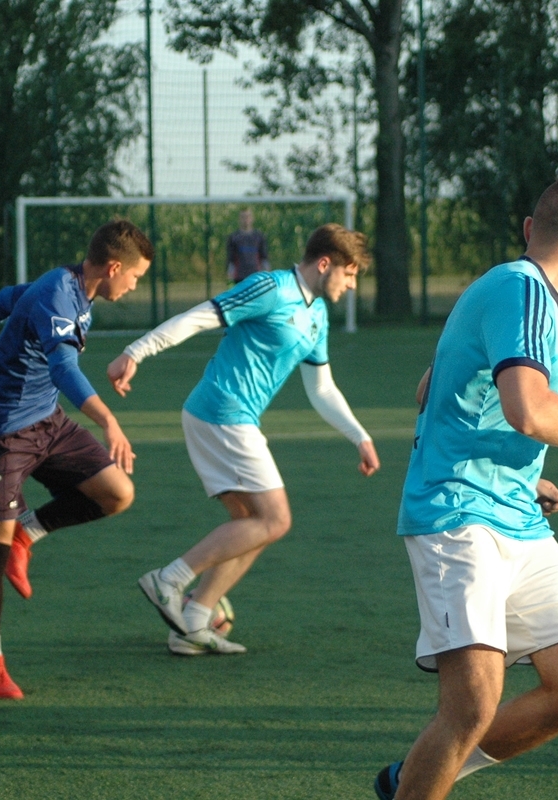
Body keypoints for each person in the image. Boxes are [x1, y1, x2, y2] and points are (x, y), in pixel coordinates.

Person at [374, 174, 558, 800]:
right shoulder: (524, 290)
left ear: (531, 228)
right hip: (458, 517)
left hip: (512, 514)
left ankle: (416, 778)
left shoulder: (512, 290)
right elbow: (529, 410)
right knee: (472, 703)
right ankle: (421, 780)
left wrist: (522, 475)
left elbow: (435, 389)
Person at [108, 223, 380, 656]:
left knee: (253, 526)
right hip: (221, 412)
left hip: (231, 419)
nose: (351, 285)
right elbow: (200, 316)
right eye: (348, 274)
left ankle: (193, 622)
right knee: (276, 519)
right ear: (325, 263)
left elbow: (321, 389)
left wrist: (359, 436)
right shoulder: (271, 288)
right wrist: (136, 351)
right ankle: (169, 580)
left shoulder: (317, 316)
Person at [0, 220, 153, 700]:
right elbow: (63, 367)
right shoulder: (58, 294)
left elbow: (10, 297)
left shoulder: (74, 287)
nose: (135, 286)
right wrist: (109, 421)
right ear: (115, 267)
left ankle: (28, 533)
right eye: (136, 276)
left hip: (48, 423)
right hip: (2, 433)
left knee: (117, 492)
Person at [226, 208, 270, 283]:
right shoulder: (234, 237)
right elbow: (231, 260)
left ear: (252, 218)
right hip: (239, 277)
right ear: (239, 219)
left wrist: (267, 275)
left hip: (256, 276)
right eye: (243, 217)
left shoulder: (259, 237)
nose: (246, 219)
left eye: (248, 216)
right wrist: (230, 276)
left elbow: (264, 258)